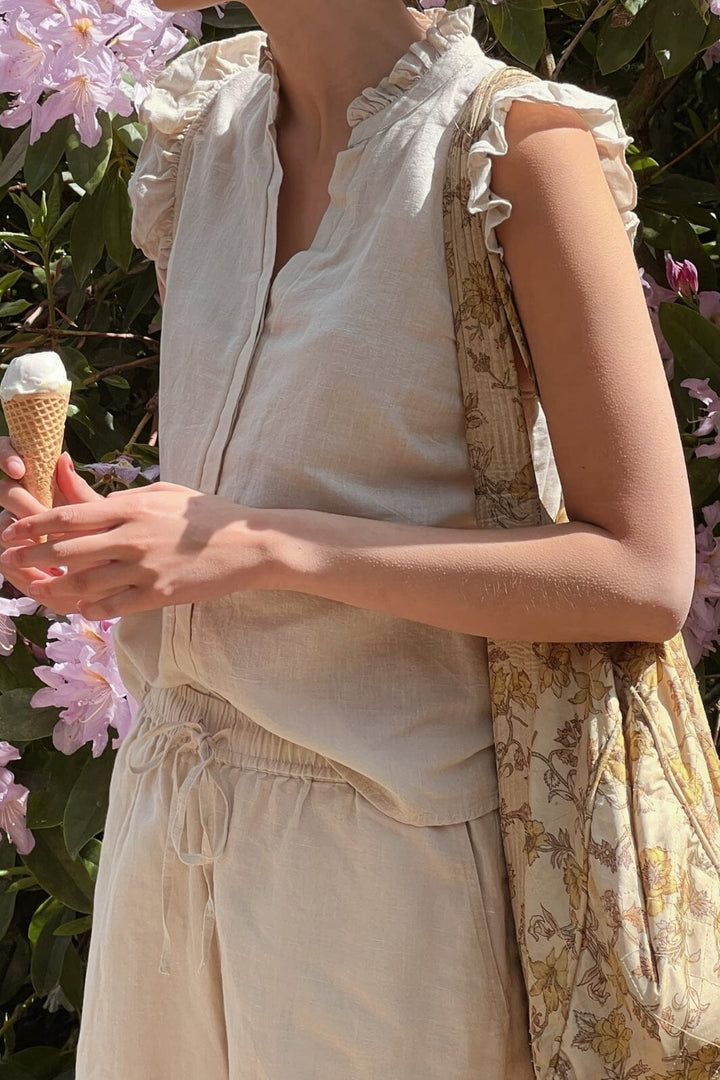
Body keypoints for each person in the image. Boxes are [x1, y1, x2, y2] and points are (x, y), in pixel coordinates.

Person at [0, 0, 696, 1076]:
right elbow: (246, 502)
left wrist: (263, 544)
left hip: (386, 879)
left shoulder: (512, 151)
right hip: (166, 833)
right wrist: (121, 555)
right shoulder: (207, 137)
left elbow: (643, 575)